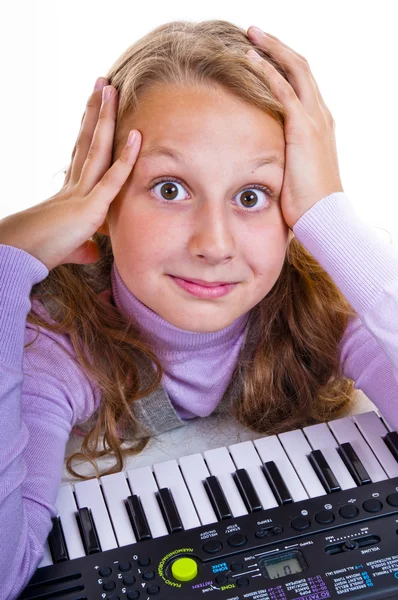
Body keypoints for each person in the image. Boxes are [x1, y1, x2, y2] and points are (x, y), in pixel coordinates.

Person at [1, 19, 398, 598]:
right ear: (102, 202)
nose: (213, 244)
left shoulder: (325, 301)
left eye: (251, 196)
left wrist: (329, 214)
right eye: (170, 188)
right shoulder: (56, 340)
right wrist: (8, 258)